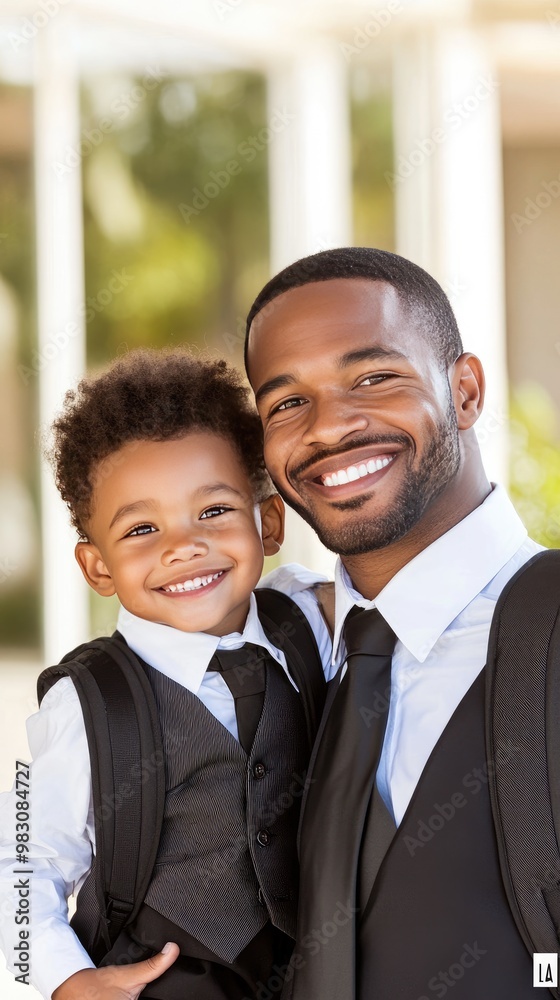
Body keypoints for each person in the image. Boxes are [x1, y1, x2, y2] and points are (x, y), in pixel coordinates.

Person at [244, 246, 547, 999]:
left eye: (374, 378)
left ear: (466, 390)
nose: (329, 428)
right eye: (286, 402)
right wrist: (47, 968)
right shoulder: (283, 649)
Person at [0, 348, 331, 1000]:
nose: (182, 546)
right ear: (97, 568)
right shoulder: (88, 703)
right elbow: (19, 862)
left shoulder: (310, 622)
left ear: (267, 523)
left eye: (212, 511)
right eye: (142, 528)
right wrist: (66, 981)